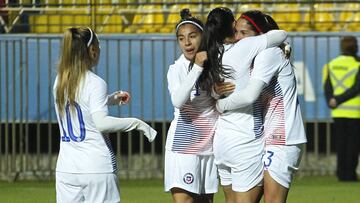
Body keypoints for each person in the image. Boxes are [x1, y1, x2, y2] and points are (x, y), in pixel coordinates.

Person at [53, 27, 157, 203]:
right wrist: (138, 123)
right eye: (98, 45)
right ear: (92, 50)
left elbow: (81, 103)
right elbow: (101, 123)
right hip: (96, 167)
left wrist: (111, 99)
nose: (100, 49)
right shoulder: (95, 82)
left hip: (66, 169)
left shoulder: (60, 80)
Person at [195, 7, 288, 203]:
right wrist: (285, 45)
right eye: (237, 29)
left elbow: (212, 91)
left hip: (221, 142)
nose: (239, 35)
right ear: (231, 27)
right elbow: (281, 34)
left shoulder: (214, 53)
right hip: (244, 140)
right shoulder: (246, 47)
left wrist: (216, 97)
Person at [216, 11, 307, 203]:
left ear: (260, 35)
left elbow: (250, 95)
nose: (237, 38)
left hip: (282, 137)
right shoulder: (255, 56)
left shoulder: (269, 54)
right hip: (267, 136)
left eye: (243, 33)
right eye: (235, 32)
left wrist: (220, 104)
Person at [164, 9, 235, 203]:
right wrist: (196, 67)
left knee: (206, 201)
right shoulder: (176, 69)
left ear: (202, 37)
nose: (187, 43)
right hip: (183, 144)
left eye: (192, 36)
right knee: (185, 200)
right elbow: (178, 101)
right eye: (181, 38)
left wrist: (217, 92)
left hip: (208, 144)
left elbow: (214, 100)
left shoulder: (214, 63)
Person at [322, 36, 360, 182]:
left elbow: (327, 87)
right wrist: (339, 99)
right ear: (355, 47)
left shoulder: (332, 64)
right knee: (353, 145)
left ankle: (340, 173)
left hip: (337, 111)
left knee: (340, 143)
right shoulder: (357, 64)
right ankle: (349, 175)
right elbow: (356, 88)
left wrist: (333, 100)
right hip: (355, 111)